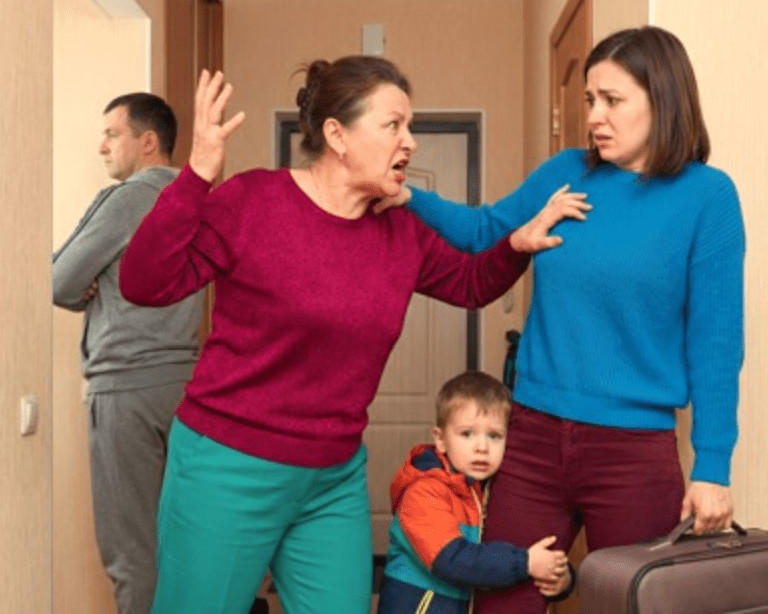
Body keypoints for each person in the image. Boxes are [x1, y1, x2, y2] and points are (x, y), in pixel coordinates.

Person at [117, 56, 590, 614]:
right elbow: (145, 283)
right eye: (393, 125)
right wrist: (197, 175)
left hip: (331, 479)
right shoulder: (253, 201)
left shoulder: (399, 228)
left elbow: (470, 283)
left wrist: (516, 245)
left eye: (409, 126)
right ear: (337, 136)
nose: (409, 141)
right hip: (227, 465)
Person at [379, 25, 745, 614]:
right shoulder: (567, 172)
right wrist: (408, 197)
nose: (595, 117)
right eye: (590, 99)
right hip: (533, 440)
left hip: (633, 454)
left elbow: (716, 345)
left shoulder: (708, 196)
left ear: (662, 98)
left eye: (612, 100)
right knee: (502, 604)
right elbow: (483, 230)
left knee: (634, 604)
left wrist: (713, 468)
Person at [52, 93, 204, 614]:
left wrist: (86, 282)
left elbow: (59, 280)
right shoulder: (194, 198)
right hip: (185, 387)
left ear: (148, 142)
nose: (102, 147)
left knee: (132, 553)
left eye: (112, 134)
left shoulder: (127, 198)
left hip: (126, 389)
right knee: (184, 544)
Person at [377, 370, 573, 614]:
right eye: (467, 434)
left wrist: (561, 576)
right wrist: (525, 563)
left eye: (494, 436)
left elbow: (521, 543)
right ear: (440, 439)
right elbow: (451, 560)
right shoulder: (423, 493)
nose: (482, 447)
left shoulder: (491, 489)